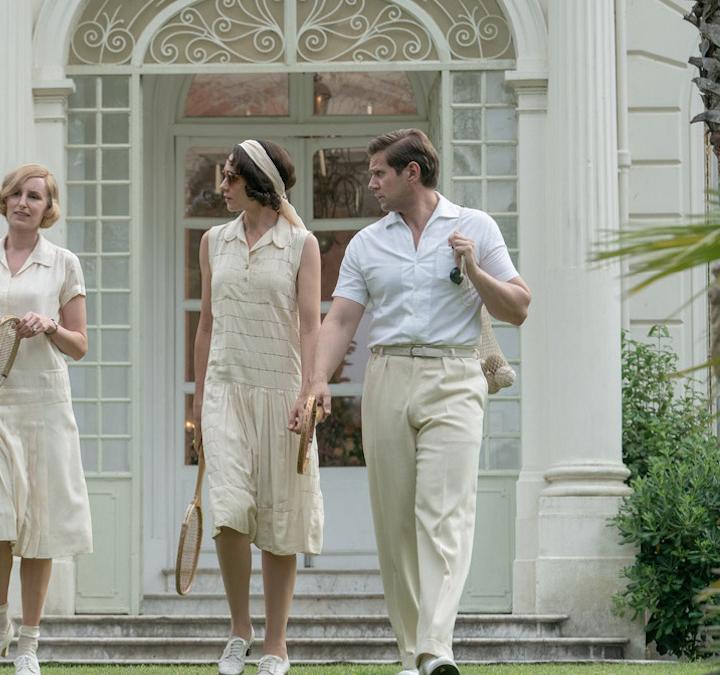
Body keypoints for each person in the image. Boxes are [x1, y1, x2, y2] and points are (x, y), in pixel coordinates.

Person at [314, 129, 531, 675]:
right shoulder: (367, 243)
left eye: (379, 173)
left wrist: (475, 270)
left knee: (444, 515)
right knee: (396, 523)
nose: (371, 183)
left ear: (412, 173)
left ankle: (437, 646)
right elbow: (340, 320)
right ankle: (412, 651)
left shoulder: (474, 226)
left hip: (455, 376)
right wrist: (317, 380)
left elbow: (519, 307)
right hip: (387, 376)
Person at [0, 163, 92, 675]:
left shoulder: (63, 264)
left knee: (40, 524)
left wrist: (50, 325)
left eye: (35, 196)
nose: (23, 203)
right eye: (16, 193)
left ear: (47, 207)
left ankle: (29, 643)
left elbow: (79, 345)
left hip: (45, 407)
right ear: (4, 199)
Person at [193, 139, 325, 675]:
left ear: (255, 181)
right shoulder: (212, 242)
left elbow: (311, 324)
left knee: (278, 517)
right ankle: (238, 631)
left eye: (229, 178)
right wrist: (199, 399)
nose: (221, 187)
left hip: (282, 392)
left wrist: (310, 392)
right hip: (225, 390)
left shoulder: (302, 244)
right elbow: (205, 324)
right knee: (228, 514)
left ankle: (275, 643)